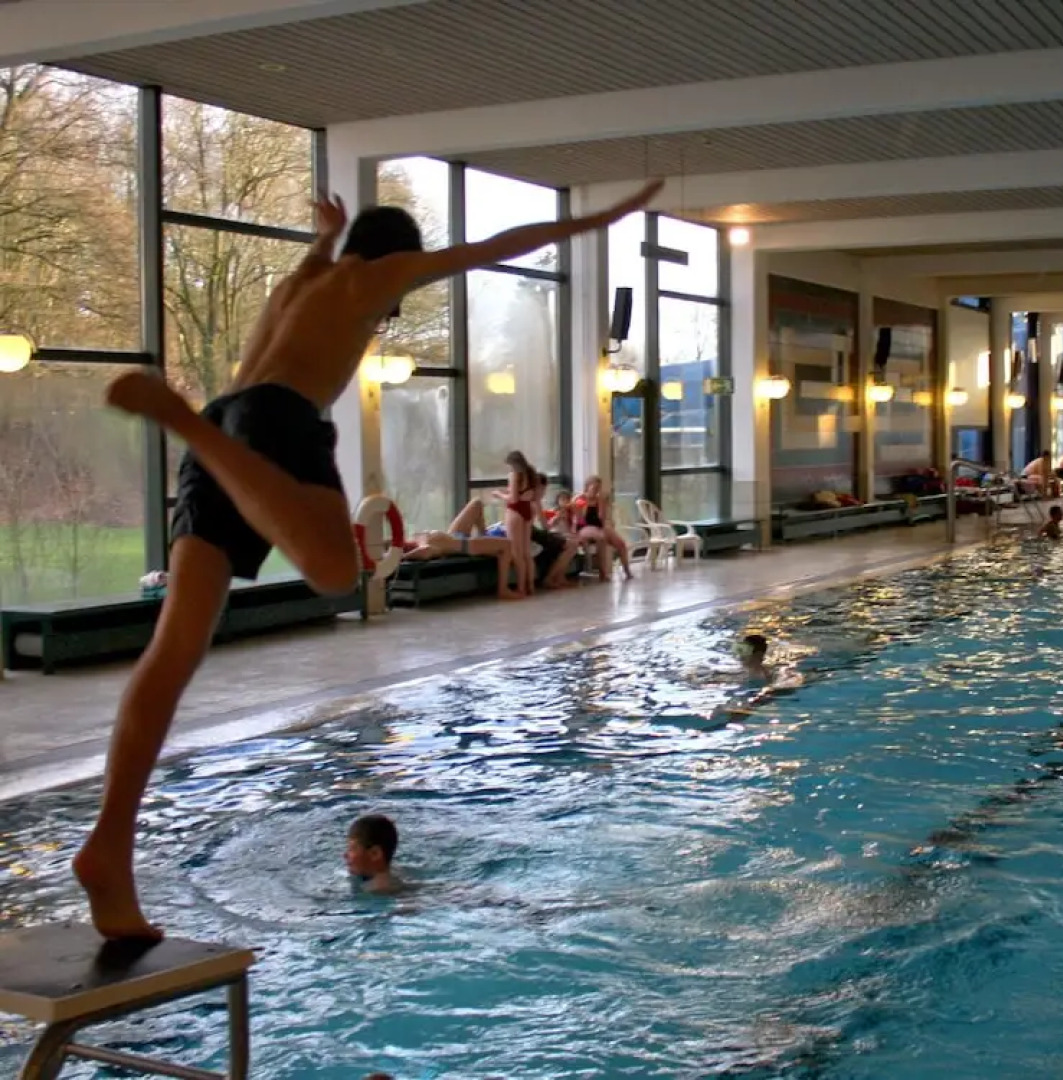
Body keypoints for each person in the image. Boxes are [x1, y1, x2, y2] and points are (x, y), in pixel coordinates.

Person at [78, 178, 664, 940]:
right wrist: (599, 219)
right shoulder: (372, 274)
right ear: (397, 258)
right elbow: (490, 248)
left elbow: (320, 262)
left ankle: (109, 849)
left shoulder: (308, 276)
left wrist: (324, 234)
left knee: (174, 648)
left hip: (234, 415)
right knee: (334, 574)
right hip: (271, 425)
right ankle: (187, 425)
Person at [492, 450, 541, 596]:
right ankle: (530, 585)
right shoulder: (532, 473)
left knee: (516, 552)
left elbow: (513, 499)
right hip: (527, 510)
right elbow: (535, 497)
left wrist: (499, 494)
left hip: (515, 511)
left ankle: (521, 588)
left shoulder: (514, 475)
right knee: (527, 552)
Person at [574, 476, 633, 581]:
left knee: (620, 543)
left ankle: (627, 571)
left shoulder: (600, 500)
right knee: (601, 537)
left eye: (598, 488)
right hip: (584, 527)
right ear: (587, 487)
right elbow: (580, 520)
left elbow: (601, 519)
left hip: (598, 526)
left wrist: (602, 504)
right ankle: (602, 572)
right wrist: (586, 504)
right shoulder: (579, 499)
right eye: (594, 488)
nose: (596, 491)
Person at [345, 814, 401, 895]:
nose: (345, 855)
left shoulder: (378, 890)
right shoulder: (397, 871)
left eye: (353, 849)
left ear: (375, 854)